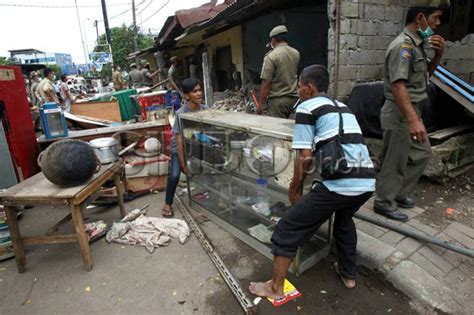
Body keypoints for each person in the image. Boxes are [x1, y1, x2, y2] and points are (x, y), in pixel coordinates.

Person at [249, 65, 375, 299]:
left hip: (342, 184)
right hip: (366, 182)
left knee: (286, 228)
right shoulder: (343, 107)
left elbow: (305, 157)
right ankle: (349, 275)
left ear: (309, 88)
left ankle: (275, 288)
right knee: (344, 219)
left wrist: (294, 188)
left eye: (299, 87)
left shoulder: (307, 108)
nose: (297, 92)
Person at [374, 0, 450, 222]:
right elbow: (398, 86)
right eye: (435, 18)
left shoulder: (416, 45)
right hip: (400, 113)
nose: (437, 24)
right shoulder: (403, 47)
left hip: (410, 111)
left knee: (421, 152)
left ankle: (397, 193)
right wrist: (413, 120)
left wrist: (437, 57)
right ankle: (383, 202)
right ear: (420, 19)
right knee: (394, 160)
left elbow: (423, 77)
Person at [162, 78, 208, 218]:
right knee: (175, 174)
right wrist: (183, 163)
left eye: (200, 90)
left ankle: (210, 200)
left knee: (212, 169)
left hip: (196, 147)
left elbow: (210, 132)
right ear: (187, 95)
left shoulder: (205, 110)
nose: (199, 93)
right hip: (179, 149)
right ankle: (167, 203)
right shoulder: (181, 113)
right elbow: (179, 140)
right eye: (195, 91)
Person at [257, 25, 300, 118]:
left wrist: (260, 104)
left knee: (276, 129)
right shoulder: (296, 53)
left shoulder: (271, 56)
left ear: (273, 40)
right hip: (295, 100)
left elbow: (266, 82)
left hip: (278, 101)